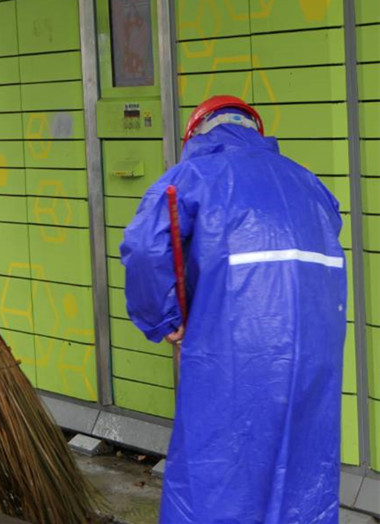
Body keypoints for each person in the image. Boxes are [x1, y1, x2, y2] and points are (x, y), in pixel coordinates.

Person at [121, 95, 346, 524]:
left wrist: (165, 320)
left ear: (195, 136)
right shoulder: (309, 184)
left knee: (218, 472)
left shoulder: (191, 178)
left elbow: (146, 248)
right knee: (302, 465)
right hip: (316, 353)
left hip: (234, 348)